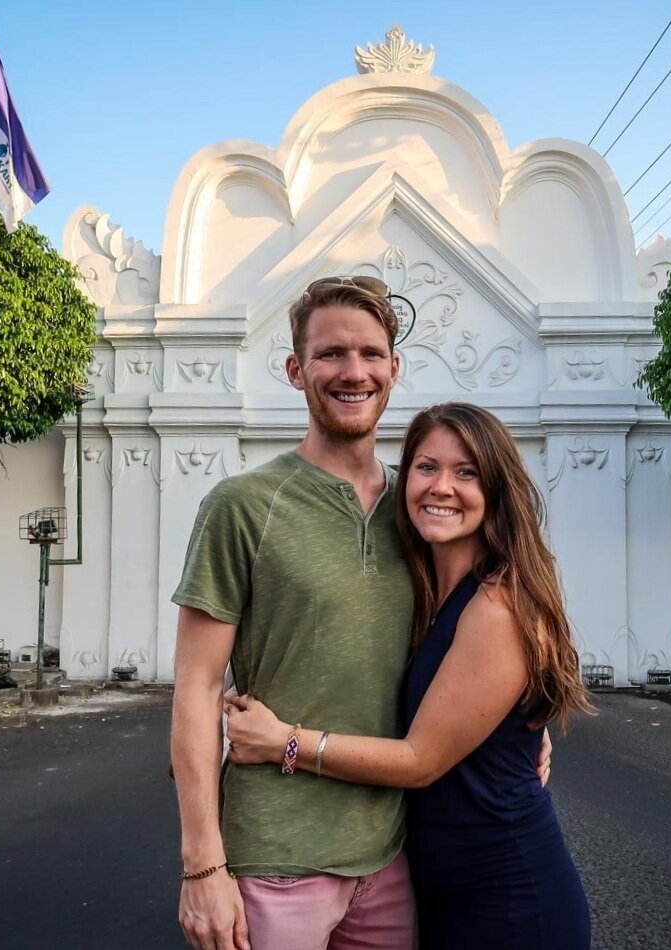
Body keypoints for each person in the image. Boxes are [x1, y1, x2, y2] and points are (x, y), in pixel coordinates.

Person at [225, 401, 595, 949]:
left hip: (509, 896)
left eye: (466, 472)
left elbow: (421, 761)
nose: (441, 486)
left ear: (496, 491)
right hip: (442, 887)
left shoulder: (497, 607)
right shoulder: (427, 591)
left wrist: (285, 743)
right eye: (426, 467)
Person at [170, 274, 416, 950]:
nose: (353, 371)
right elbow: (194, 689)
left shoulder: (422, 510)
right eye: (331, 353)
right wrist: (203, 867)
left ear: (395, 369)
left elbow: (472, 638)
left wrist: (520, 726)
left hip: (392, 855)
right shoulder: (242, 505)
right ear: (295, 369)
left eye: (370, 354)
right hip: (272, 861)